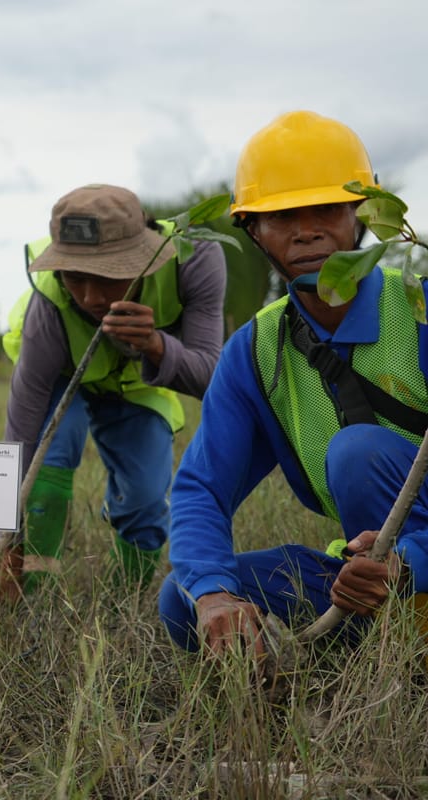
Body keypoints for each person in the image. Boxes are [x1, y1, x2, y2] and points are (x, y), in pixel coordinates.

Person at [159, 110, 428, 657]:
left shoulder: (419, 311)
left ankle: (404, 639)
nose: (306, 230)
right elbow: (202, 490)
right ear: (254, 231)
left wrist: (408, 563)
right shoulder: (255, 351)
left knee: (359, 454)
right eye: (282, 216)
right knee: (182, 600)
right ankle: (379, 636)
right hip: (371, 578)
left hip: (409, 565)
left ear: (362, 215)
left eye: (326, 209)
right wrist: (213, 597)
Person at [1, 184, 226, 598]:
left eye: (106, 277)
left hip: (138, 375)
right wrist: (8, 537)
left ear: (142, 259)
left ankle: (127, 596)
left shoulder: (193, 263)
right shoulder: (49, 306)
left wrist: (156, 346)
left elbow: (212, 375)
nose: (88, 297)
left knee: (143, 496)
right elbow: (24, 430)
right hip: (61, 375)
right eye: (74, 276)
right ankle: (34, 589)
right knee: (45, 475)